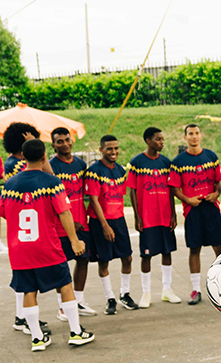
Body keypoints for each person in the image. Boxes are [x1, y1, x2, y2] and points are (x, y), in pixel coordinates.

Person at [0, 138, 95, 351]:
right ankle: (76, 332)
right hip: (47, 246)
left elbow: (3, 212)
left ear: (22, 156)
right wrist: (74, 240)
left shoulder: (10, 183)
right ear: (44, 156)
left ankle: (37, 338)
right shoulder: (52, 182)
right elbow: (64, 212)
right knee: (65, 285)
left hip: (20, 249)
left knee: (28, 291)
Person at [2, 121, 52, 334]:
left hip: (21, 221)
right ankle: (22, 317)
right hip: (28, 223)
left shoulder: (11, 161)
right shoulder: (18, 164)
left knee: (23, 273)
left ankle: (21, 316)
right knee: (26, 275)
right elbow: (51, 176)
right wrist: (40, 149)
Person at [168, 123, 221, 305]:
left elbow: (219, 181)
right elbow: (174, 188)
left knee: (220, 248)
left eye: (197, 133)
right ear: (185, 137)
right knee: (194, 249)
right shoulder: (178, 162)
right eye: (190, 134)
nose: (194, 136)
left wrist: (216, 193)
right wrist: (187, 199)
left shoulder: (211, 156)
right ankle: (196, 290)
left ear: (201, 136)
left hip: (211, 208)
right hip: (192, 210)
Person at [128, 127, 180, 307]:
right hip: (147, 217)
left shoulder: (166, 162)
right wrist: (137, 216)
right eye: (158, 139)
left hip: (165, 215)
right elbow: (132, 190)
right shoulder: (137, 162)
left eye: (162, 139)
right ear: (148, 141)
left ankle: (167, 290)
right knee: (146, 255)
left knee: (167, 252)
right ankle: (146, 293)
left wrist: (173, 213)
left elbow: (172, 189)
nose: (162, 142)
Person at [85, 134, 137, 314]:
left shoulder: (121, 170)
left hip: (119, 219)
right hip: (101, 222)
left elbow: (121, 195)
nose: (113, 152)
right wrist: (105, 225)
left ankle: (125, 294)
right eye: (109, 149)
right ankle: (110, 298)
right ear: (101, 150)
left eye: (116, 148)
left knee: (127, 257)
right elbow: (93, 199)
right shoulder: (94, 171)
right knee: (104, 261)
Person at [49, 127, 97, 318]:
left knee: (83, 260)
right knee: (62, 265)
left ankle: (79, 301)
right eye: (59, 141)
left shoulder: (80, 164)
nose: (65, 144)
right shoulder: (51, 167)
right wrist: (68, 222)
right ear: (53, 145)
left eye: (67, 140)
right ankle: (63, 306)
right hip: (60, 226)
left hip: (81, 221)